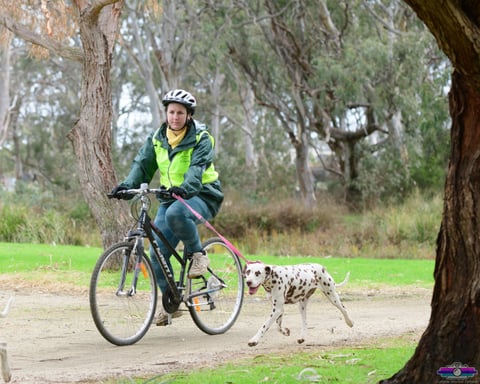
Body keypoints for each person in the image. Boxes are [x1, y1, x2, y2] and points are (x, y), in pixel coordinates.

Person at [110, 89, 224, 326]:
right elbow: (143, 165)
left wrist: (185, 187)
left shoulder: (201, 138)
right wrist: (126, 186)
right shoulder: (157, 138)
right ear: (166, 113)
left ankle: (198, 255)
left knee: (176, 213)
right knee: (156, 253)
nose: (174, 117)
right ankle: (169, 303)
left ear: (189, 115)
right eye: (171, 112)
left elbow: (196, 168)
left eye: (180, 113)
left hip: (202, 194)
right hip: (170, 196)